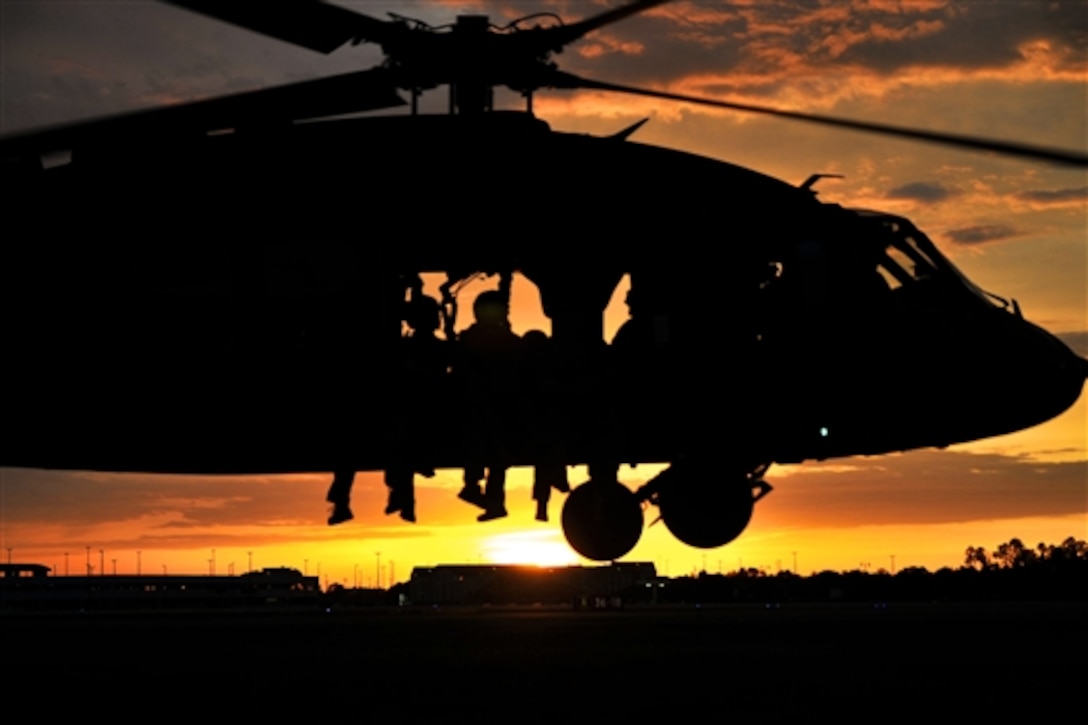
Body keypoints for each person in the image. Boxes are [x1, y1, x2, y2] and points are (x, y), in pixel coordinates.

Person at [455, 287, 522, 522]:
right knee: (496, 459)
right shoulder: (507, 341)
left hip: (484, 408)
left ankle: (479, 491)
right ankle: (486, 496)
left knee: (490, 453)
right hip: (493, 408)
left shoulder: (470, 339)